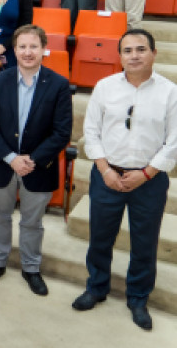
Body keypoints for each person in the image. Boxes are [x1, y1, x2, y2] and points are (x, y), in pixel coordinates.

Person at [73, 29, 176, 330]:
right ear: (119, 56)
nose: (134, 56)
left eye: (141, 49)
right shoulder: (104, 87)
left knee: (145, 242)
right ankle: (96, 287)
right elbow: (90, 132)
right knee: (101, 237)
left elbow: (174, 141)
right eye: (127, 50)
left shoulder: (170, 92)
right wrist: (105, 170)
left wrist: (146, 174)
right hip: (107, 175)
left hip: (150, 180)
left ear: (154, 53)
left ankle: (138, 298)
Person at [0, 24, 72, 296]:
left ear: (44, 49)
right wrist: (11, 158)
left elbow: (61, 132)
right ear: (14, 50)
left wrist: (30, 159)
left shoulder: (58, 84)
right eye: (22, 46)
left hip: (38, 167)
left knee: (32, 222)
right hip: (2, 164)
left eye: (34, 46)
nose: (28, 52)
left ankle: (31, 268)